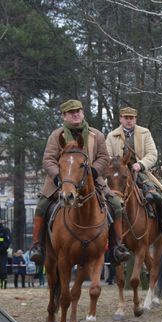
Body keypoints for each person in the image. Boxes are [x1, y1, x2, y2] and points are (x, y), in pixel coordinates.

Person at [29, 99, 130, 266]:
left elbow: (104, 157)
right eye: (71, 112)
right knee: (41, 207)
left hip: (92, 180)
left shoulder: (96, 134)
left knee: (116, 205)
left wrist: (94, 172)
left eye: (78, 111)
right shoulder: (56, 135)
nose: (75, 114)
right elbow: (48, 160)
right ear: (64, 116)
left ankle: (117, 246)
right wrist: (59, 177)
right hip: (62, 181)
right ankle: (37, 246)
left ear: (83, 113)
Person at [105, 106, 162, 239]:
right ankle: (106, 235)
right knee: (104, 198)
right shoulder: (111, 136)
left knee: (159, 196)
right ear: (120, 119)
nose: (129, 121)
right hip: (118, 173)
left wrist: (141, 164)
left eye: (131, 118)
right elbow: (107, 155)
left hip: (140, 172)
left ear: (135, 119)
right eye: (126, 118)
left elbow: (152, 154)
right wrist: (116, 165)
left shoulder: (145, 133)